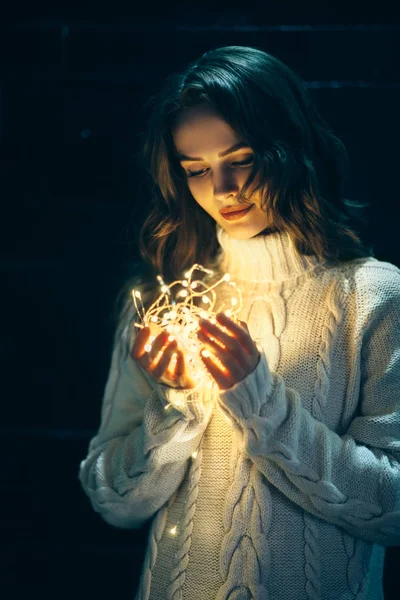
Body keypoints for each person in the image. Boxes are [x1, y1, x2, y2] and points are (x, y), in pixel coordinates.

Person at [78, 46, 400, 600]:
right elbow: (111, 500)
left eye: (242, 158)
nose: (223, 190)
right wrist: (171, 408)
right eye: (196, 170)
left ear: (290, 147)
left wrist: (260, 401)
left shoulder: (372, 297)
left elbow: (392, 509)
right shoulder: (165, 303)